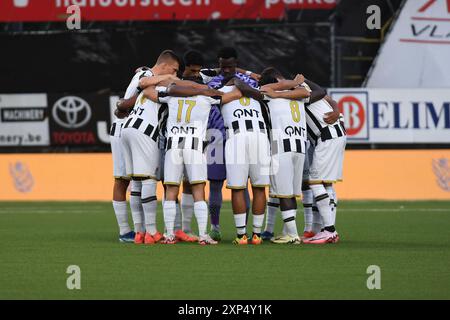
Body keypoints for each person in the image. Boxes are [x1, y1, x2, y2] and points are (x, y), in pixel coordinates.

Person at [120, 50, 181, 245]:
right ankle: (152, 231)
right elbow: (145, 85)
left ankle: (139, 232)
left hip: (128, 128)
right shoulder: (148, 75)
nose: (176, 74)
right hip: (144, 130)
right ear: (165, 65)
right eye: (174, 69)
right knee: (148, 180)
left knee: (137, 182)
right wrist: (172, 79)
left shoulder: (146, 75)